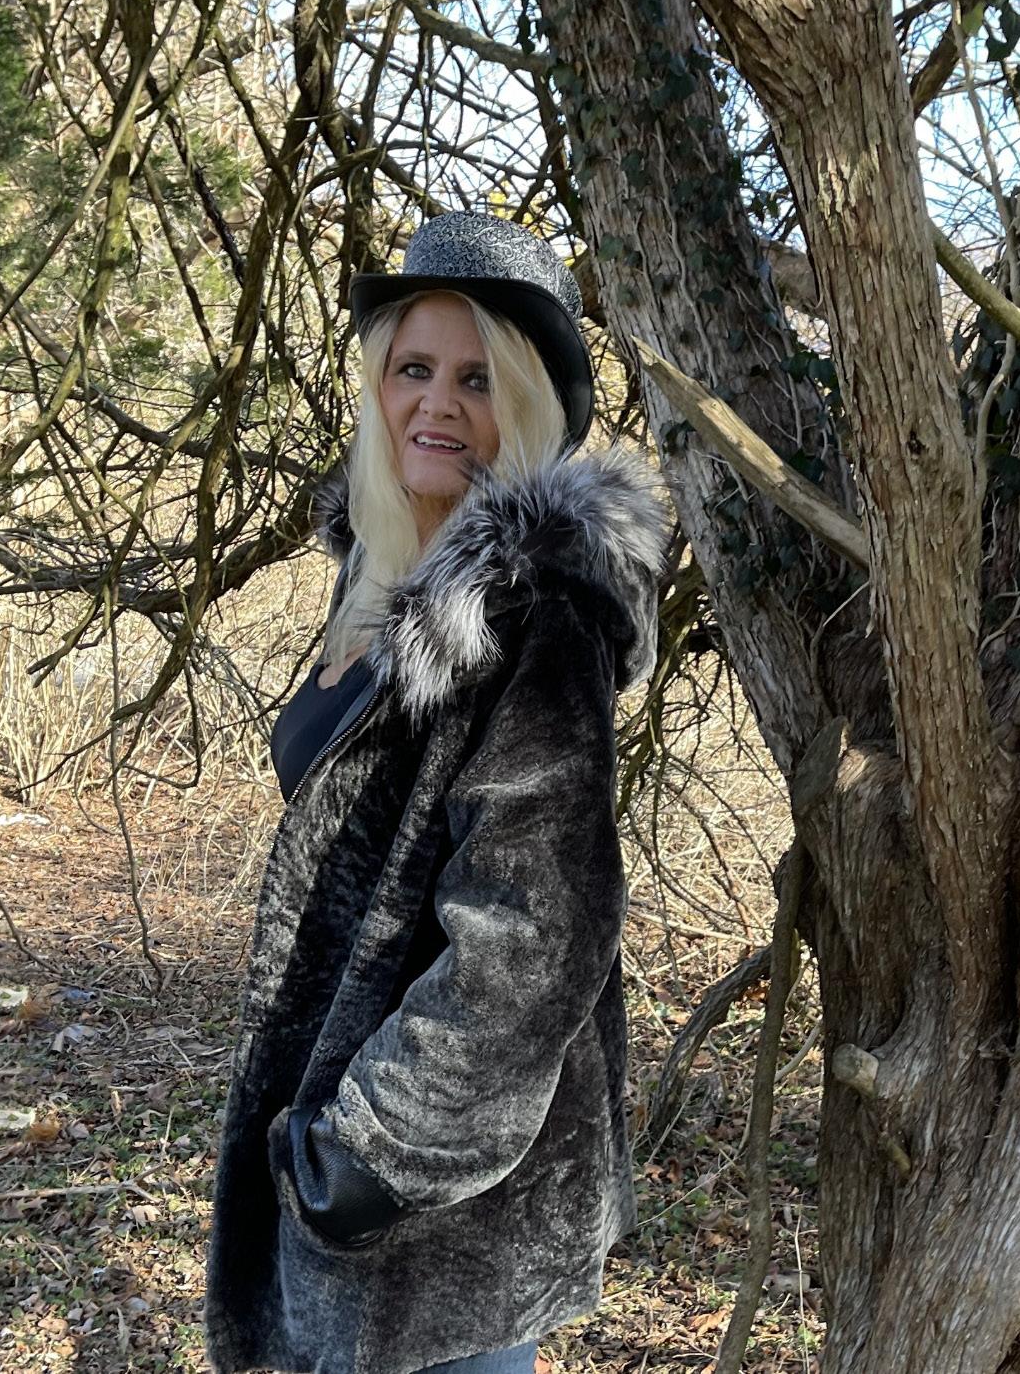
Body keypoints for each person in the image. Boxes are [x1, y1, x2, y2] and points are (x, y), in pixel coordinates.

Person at [204, 211, 673, 1374]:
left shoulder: (532, 613)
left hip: (444, 1220)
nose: (437, 404)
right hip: (346, 1167)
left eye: (477, 379)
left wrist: (369, 1155)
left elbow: (536, 930)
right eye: (413, 368)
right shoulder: (380, 579)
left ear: (525, 407)